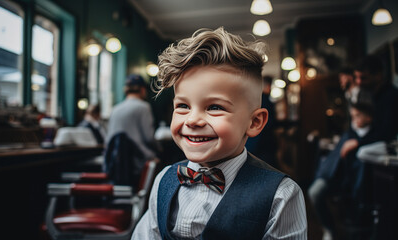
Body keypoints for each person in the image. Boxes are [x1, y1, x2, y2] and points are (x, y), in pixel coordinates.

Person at [132, 27, 307, 240]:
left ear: (254, 122)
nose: (192, 120)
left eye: (215, 107)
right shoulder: (163, 180)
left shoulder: (281, 195)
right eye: (183, 106)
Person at [308, 102, 375, 240]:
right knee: (314, 192)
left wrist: (358, 143)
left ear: (369, 118)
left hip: (356, 183)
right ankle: (329, 228)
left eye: (358, 116)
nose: (354, 120)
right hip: (334, 176)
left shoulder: (374, 136)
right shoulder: (348, 133)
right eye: (352, 116)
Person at [105, 74, 157, 183]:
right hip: (136, 163)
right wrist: (159, 149)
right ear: (143, 90)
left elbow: (108, 141)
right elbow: (149, 138)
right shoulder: (143, 107)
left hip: (114, 165)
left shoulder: (115, 109)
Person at [245, 75, 278, 169]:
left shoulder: (250, 99)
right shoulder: (266, 100)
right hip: (263, 142)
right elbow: (270, 123)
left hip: (251, 142)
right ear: (268, 86)